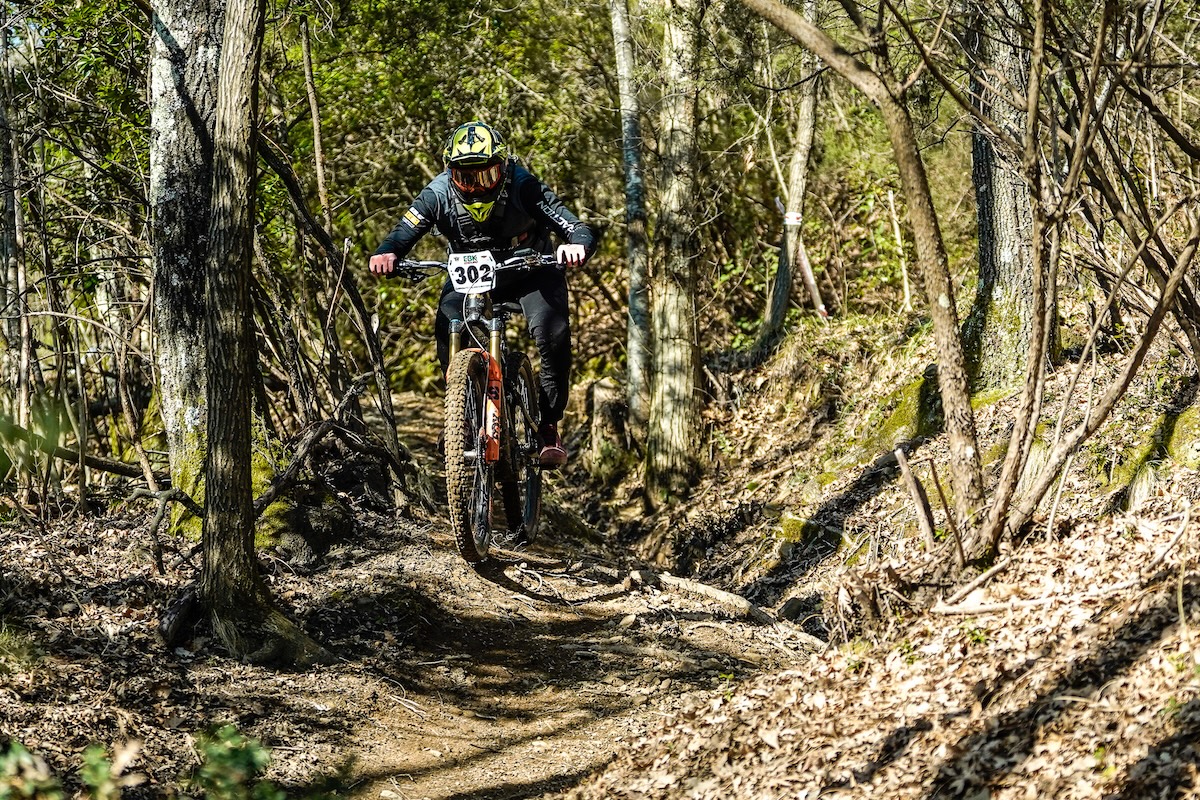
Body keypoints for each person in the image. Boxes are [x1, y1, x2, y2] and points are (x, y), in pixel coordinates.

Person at [369, 120, 595, 468]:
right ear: (450, 172)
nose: (475, 186)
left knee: (552, 334)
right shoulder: (437, 193)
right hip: (471, 275)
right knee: (447, 323)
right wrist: (387, 253)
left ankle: (549, 425)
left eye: (485, 176)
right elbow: (403, 231)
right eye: (465, 177)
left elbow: (574, 226)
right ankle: (459, 415)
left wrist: (576, 245)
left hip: (530, 269)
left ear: (503, 168)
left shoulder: (524, 185)